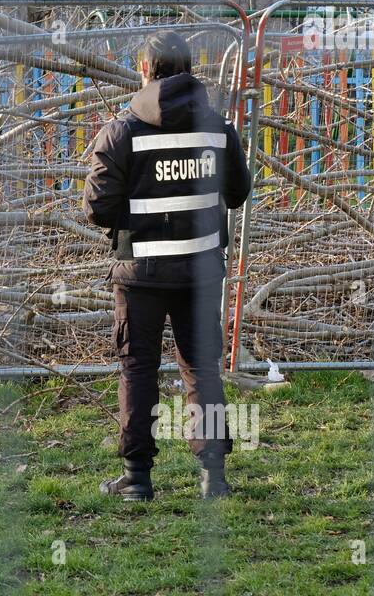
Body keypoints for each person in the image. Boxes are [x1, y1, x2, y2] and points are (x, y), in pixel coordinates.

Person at [82, 30, 252, 500]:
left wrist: (134, 223)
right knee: (203, 368)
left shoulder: (120, 131)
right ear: (190, 68)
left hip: (139, 274)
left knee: (138, 367)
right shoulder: (217, 129)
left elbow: (96, 207)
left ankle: (137, 479)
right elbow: (237, 193)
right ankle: (213, 478)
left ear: (144, 71)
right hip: (200, 270)